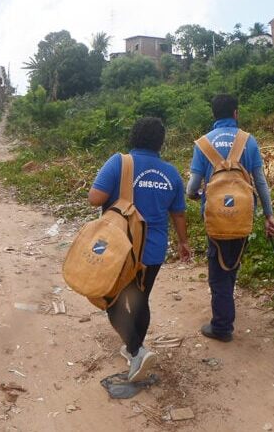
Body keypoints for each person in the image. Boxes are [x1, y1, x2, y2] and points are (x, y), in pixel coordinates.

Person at [87, 117, 190, 381]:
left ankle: (136, 351)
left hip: (120, 249)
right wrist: (183, 243)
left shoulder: (120, 163)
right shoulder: (171, 172)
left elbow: (94, 199)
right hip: (153, 251)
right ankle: (135, 350)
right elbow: (178, 215)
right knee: (140, 300)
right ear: (160, 142)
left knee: (111, 300)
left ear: (133, 137)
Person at [186, 94, 274, 342]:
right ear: (235, 113)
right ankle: (226, 307)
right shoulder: (249, 141)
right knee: (232, 263)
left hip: (216, 216)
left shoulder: (203, 143)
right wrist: (269, 215)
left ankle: (222, 327)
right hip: (242, 215)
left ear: (214, 115)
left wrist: (194, 195)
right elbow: (260, 182)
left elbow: (192, 185)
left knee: (218, 272)